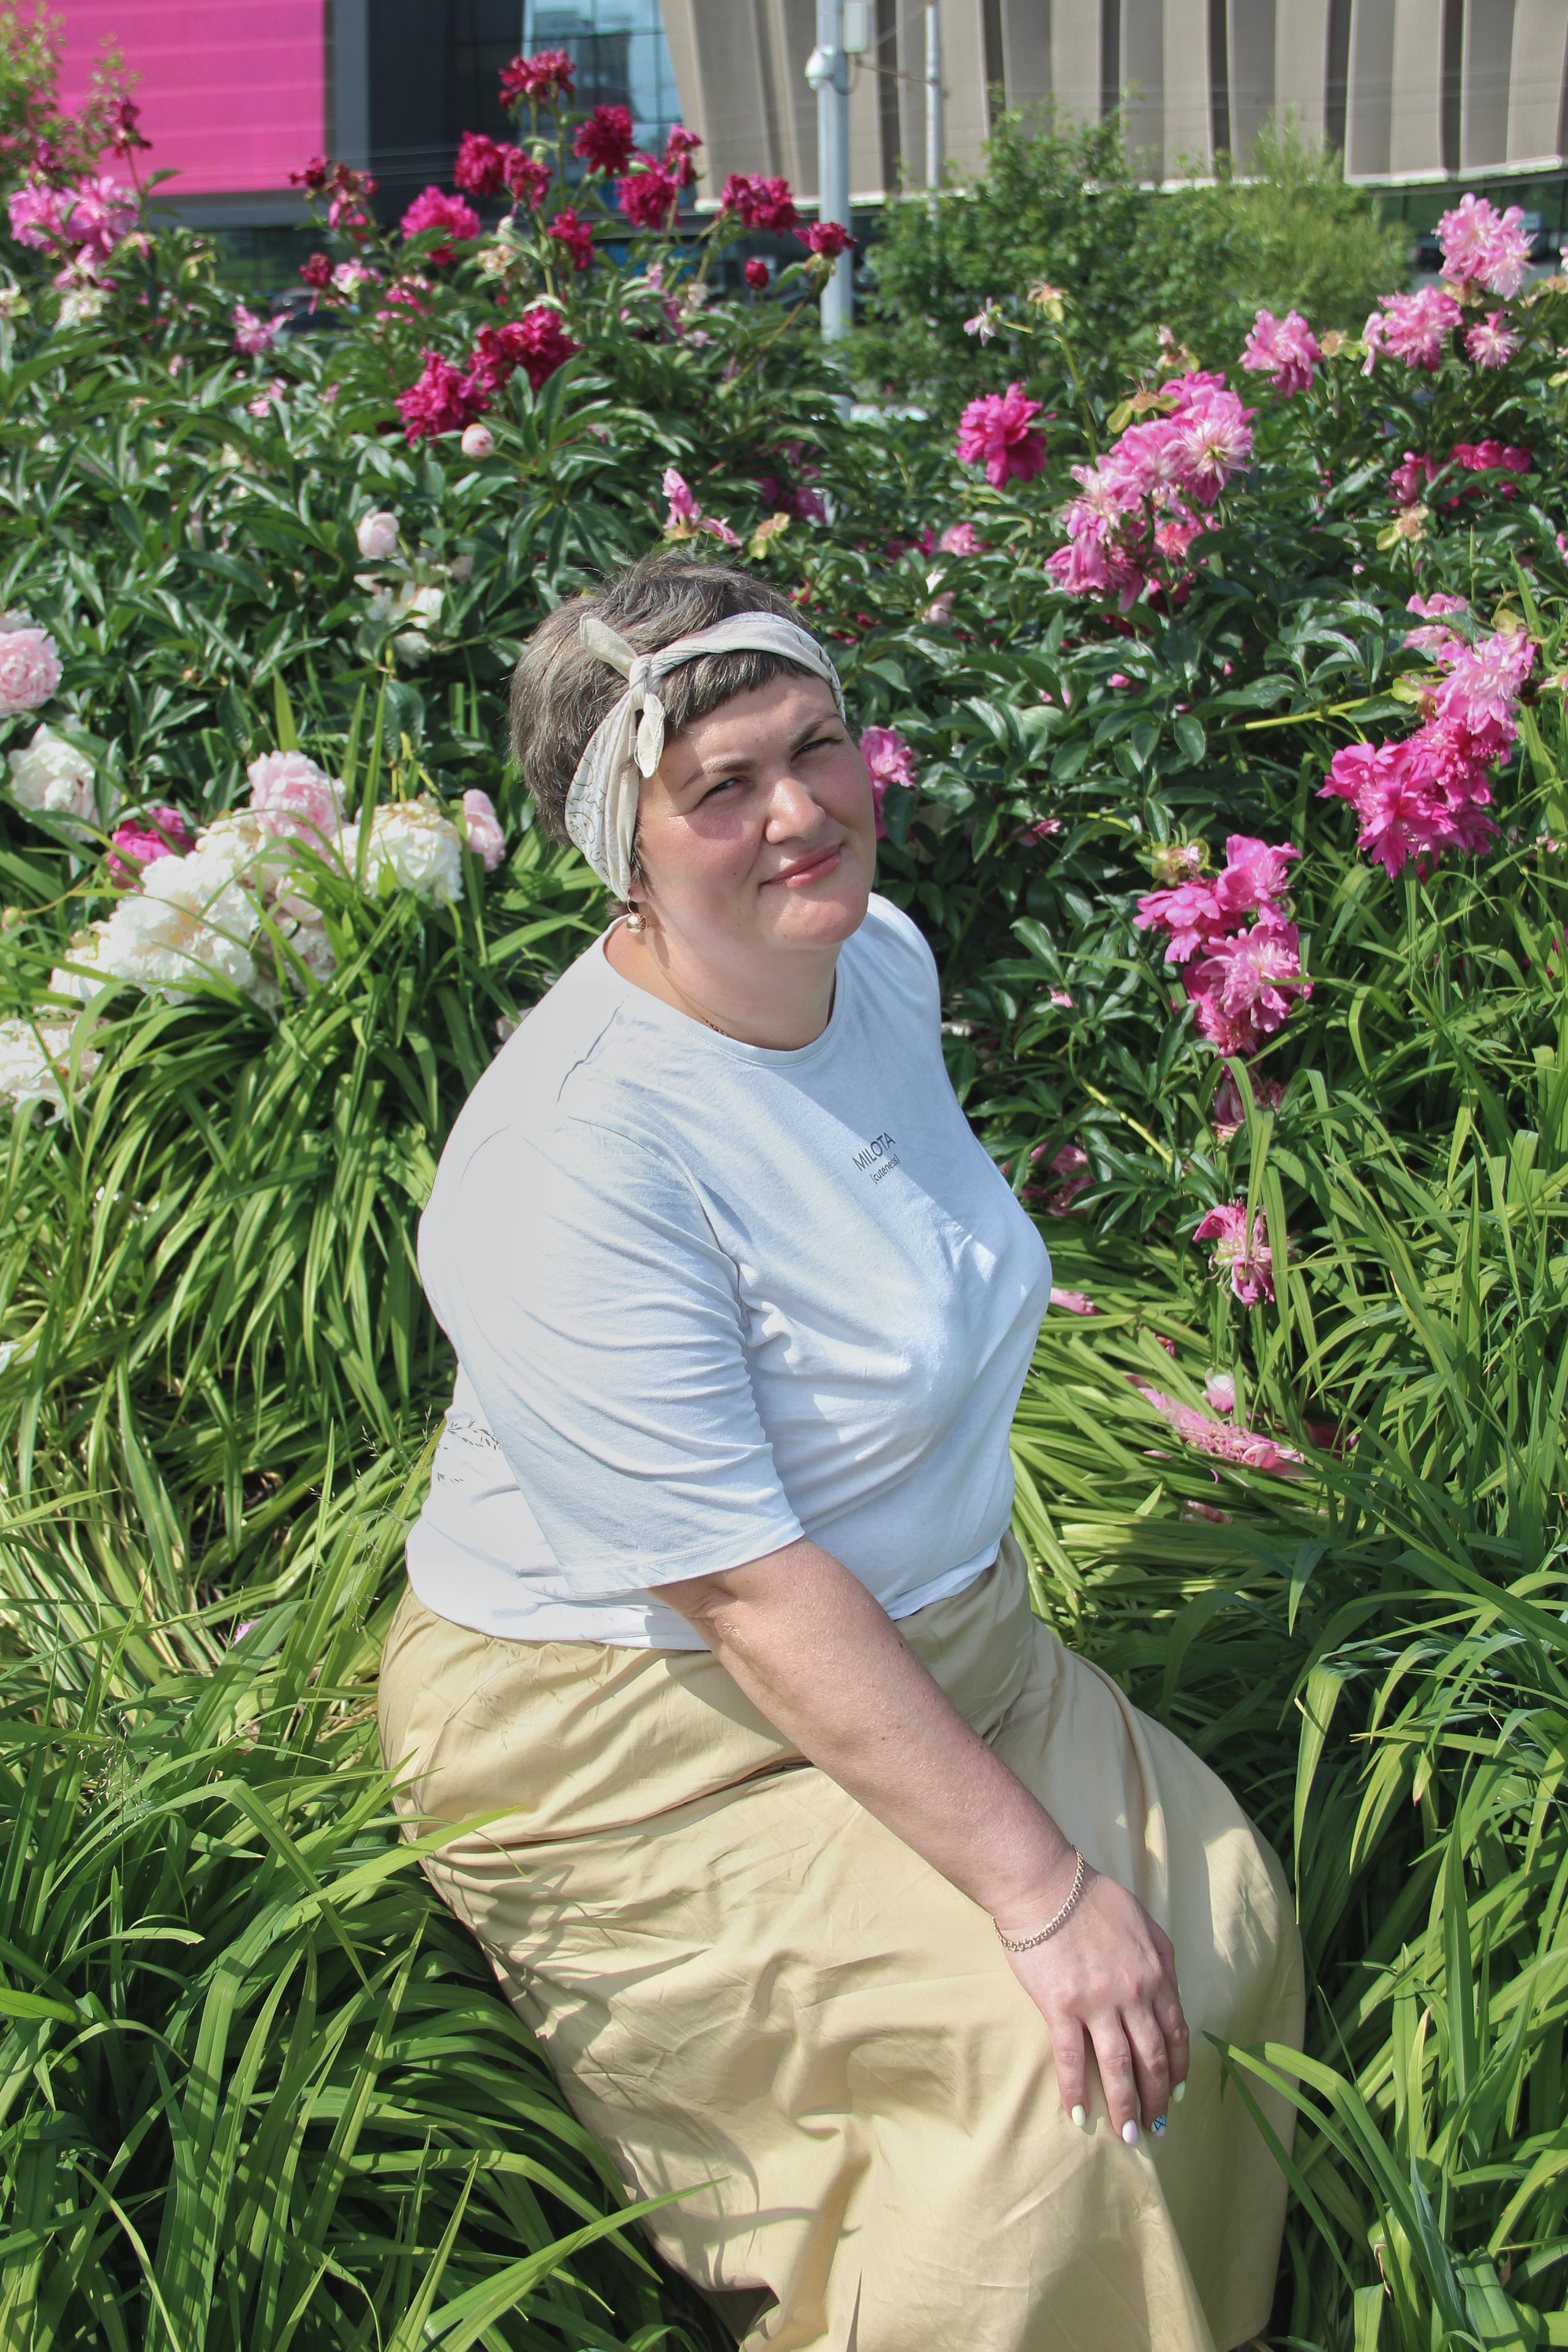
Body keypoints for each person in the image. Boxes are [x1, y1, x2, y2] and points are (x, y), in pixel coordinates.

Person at [379, 549, 1303, 2352]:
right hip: (638, 1727)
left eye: (817, 745)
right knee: (1047, 2096)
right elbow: (736, 1584)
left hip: (942, 1642)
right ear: (621, 847)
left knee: (1223, 1922)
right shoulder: (578, 1160)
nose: (801, 812)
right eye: (719, 788)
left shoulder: (871, 962)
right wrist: (1033, 1897)